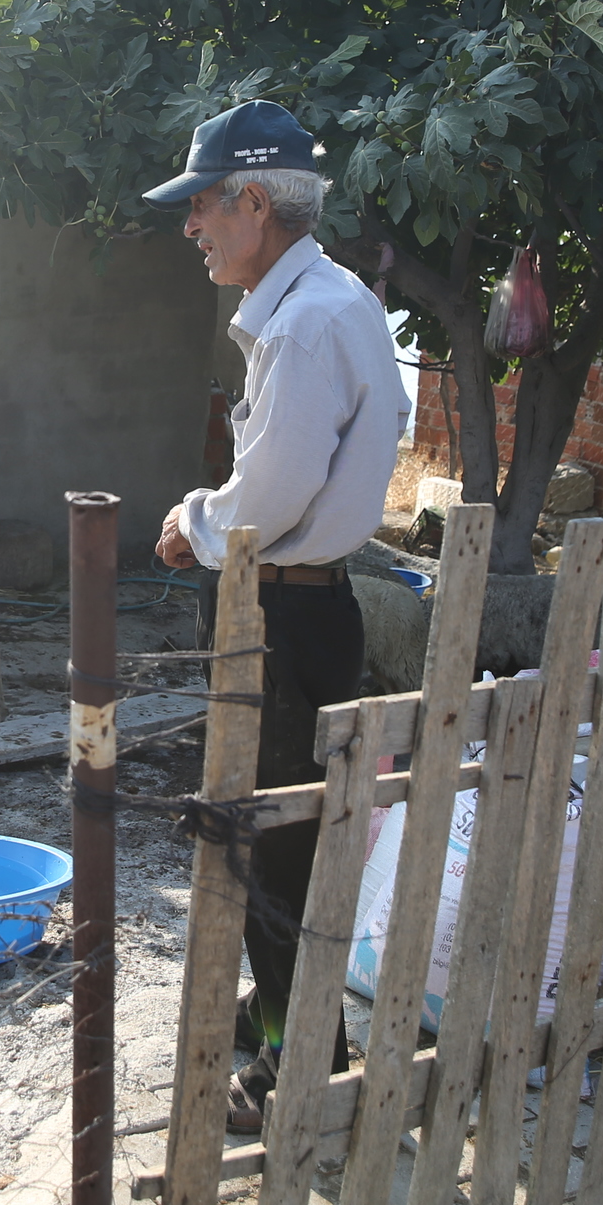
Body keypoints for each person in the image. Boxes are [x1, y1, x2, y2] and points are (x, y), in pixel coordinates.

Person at [145, 99, 410, 1134]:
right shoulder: (331, 302)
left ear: (255, 203)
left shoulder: (303, 327)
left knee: (271, 852)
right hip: (313, 606)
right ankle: (288, 1040)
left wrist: (191, 523)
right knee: (289, 845)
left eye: (204, 206)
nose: (192, 227)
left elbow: (269, 502)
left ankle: (299, 1073)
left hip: (284, 615)